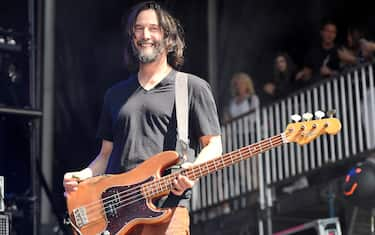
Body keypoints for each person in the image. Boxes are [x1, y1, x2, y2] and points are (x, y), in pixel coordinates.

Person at [63, 2, 222, 235]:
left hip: (167, 209)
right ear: (132, 36)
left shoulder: (191, 87)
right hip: (117, 218)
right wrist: (83, 176)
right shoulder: (115, 94)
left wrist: (192, 169)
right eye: (139, 28)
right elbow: (106, 155)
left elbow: (214, 144)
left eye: (153, 28)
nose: (145, 35)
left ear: (169, 38)